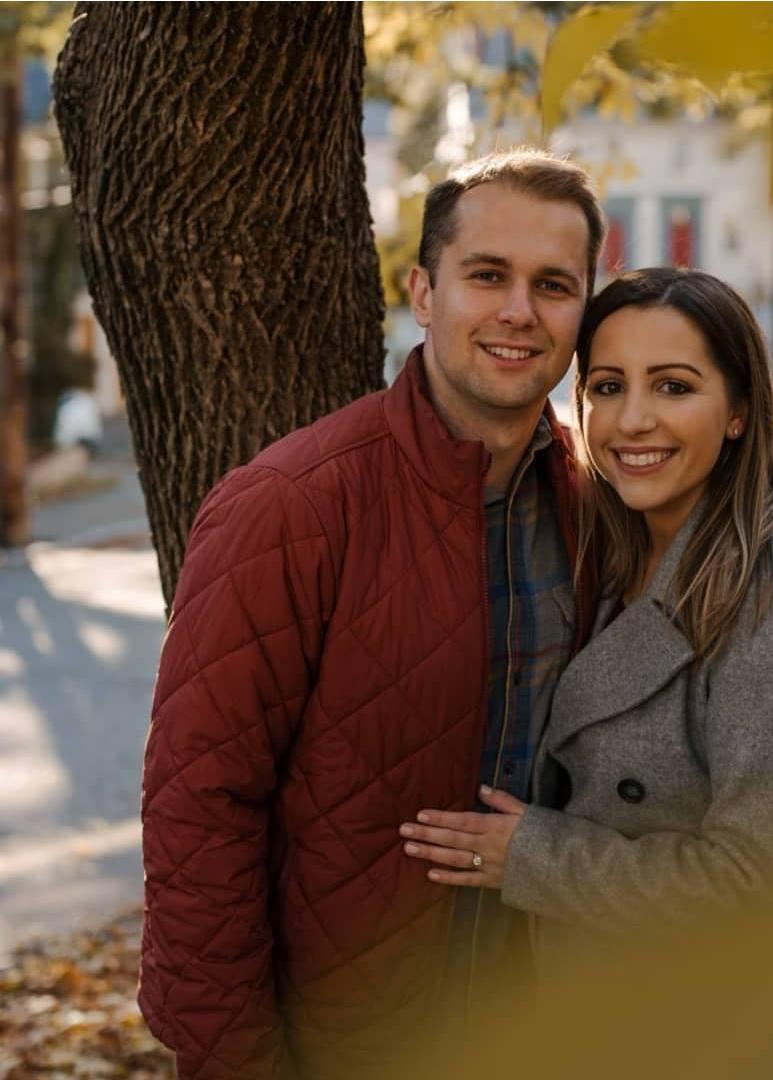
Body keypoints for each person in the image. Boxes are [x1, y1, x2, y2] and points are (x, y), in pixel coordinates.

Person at [138, 150, 604, 1079]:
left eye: (554, 284)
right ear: (423, 293)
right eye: (487, 276)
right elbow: (198, 812)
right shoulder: (290, 505)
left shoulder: (596, 511)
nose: (520, 311)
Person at [400, 268, 773, 1078]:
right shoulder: (605, 549)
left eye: (674, 386)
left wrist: (530, 859)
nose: (632, 419)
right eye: (608, 386)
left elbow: (758, 884)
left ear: (736, 413)